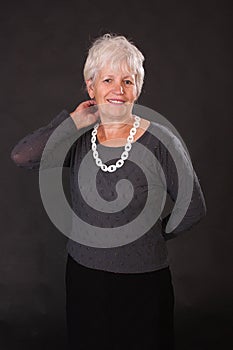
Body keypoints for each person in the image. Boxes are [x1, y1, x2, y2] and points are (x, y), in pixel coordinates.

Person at [11, 33, 207, 350]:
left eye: (127, 81)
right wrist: (72, 121)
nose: (118, 90)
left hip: (145, 282)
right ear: (91, 88)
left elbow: (193, 207)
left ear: (138, 89)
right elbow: (22, 156)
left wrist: (151, 235)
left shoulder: (161, 140)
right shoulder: (76, 136)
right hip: (84, 279)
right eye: (107, 80)